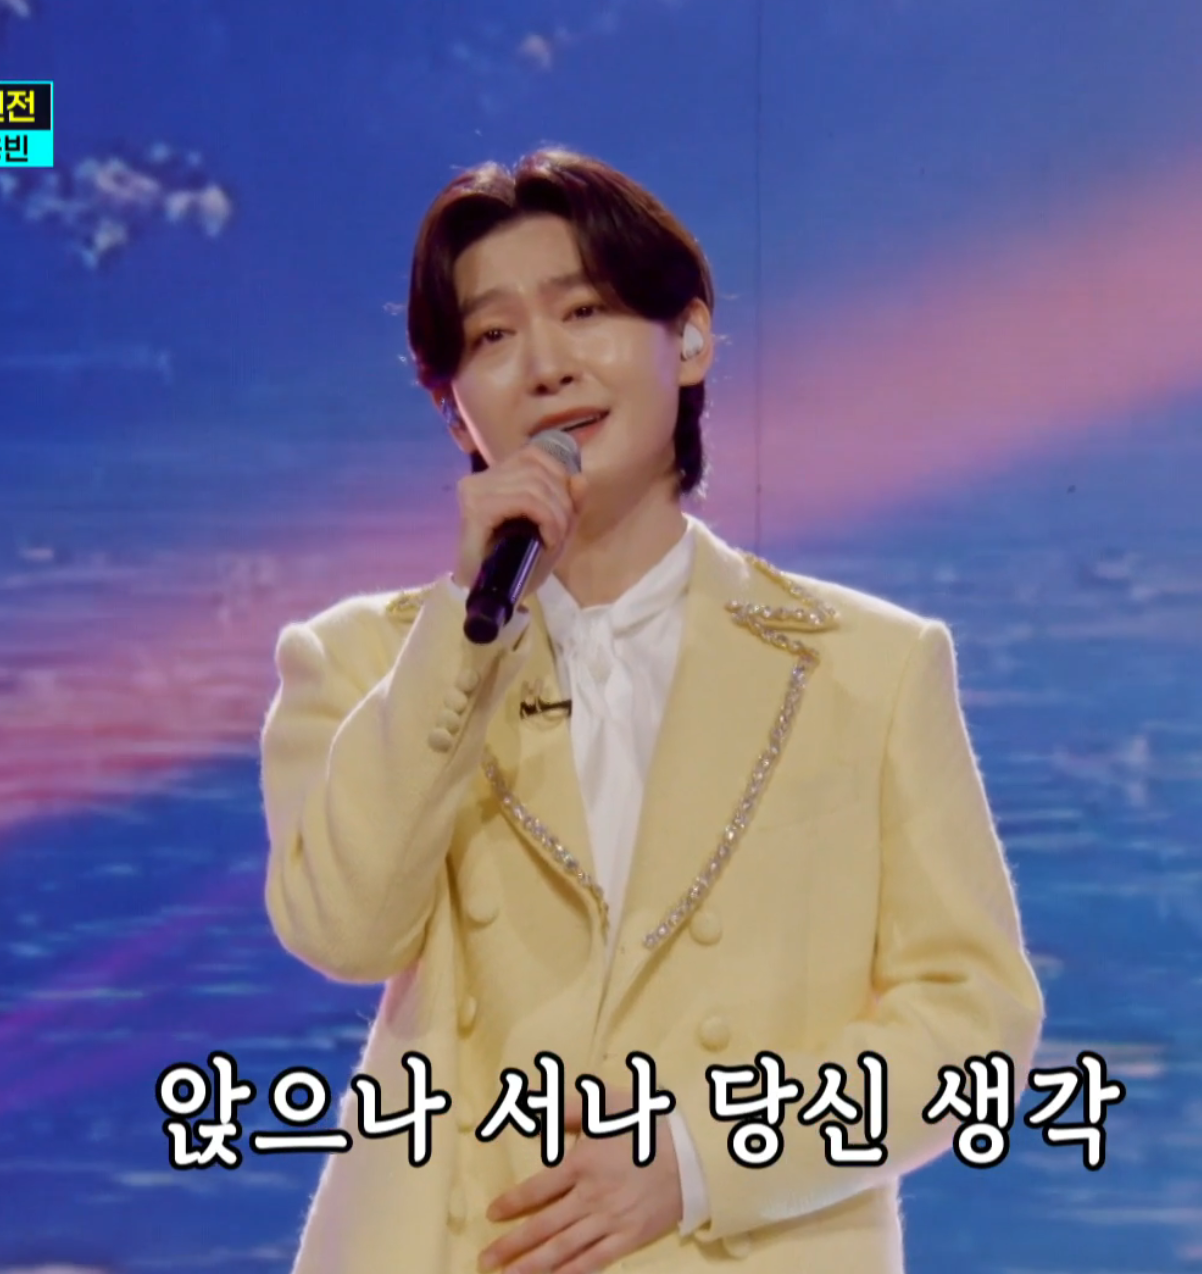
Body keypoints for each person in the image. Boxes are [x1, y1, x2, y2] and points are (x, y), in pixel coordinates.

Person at [259, 147, 1044, 1273]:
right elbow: (344, 929)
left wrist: (700, 1161)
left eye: (584, 310)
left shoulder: (868, 668)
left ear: (689, 340)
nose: (546, 365)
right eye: (492, 336)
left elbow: (974, 1026)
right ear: (453, 409)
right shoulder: (364, 663)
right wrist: (464, 633)